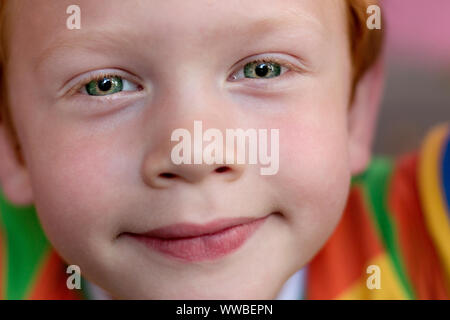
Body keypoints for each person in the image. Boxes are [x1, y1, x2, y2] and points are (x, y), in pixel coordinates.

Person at [0, 0, 447, 299]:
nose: (194, 154)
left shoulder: (421, 233)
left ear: (354, 112)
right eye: (104, 86)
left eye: (263, 69)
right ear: (12, 141)